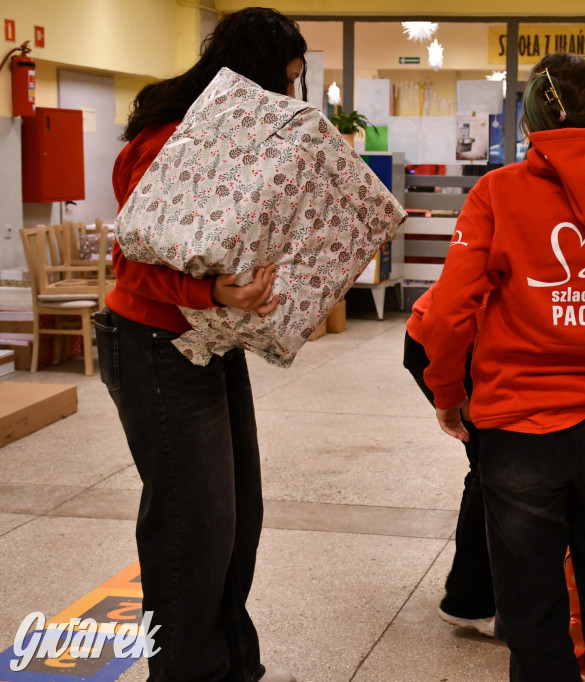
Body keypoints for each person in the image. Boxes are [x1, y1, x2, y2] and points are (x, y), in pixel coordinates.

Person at [421, 52, 585, 681]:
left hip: (519, 429)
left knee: (533, 616)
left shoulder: (497, 192)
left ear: (532, 115)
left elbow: (450, 311)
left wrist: (447, 392)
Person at [93, 8, 306, 682]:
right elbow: (134, 262)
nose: (291, 96)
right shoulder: (171, 139)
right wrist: (214, 292)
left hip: (208, 340)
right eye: (285, 80)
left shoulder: (235, 136)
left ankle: (233, 665)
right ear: (252, 76)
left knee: (237, 520)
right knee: (193, 529)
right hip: (154, 344)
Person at [403, 287, 495, 637]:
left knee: (492, 465)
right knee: (492, 467)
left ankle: (477, 595)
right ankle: (470, 603)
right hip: (446, 348)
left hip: (473, 345)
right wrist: (449, 392)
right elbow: (444, 318)